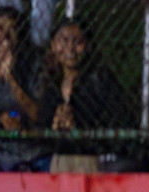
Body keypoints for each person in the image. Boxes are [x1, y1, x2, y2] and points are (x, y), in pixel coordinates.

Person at [36, 17, 134, 173]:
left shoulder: (100, 80)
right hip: (61, 158)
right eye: (63, 40)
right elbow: (41, 127)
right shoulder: (51, 85)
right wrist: (54, 125)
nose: (70, 47)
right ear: (53, 46)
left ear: (87, 46)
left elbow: (120, 122)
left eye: (78, 41)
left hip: (93, 157)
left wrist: (79, 128)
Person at [0, 6, 48, 171]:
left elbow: (36, 113)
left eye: (12, 29)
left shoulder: (33, 67)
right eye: (0, 28)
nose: (6, 36)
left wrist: (11, 77)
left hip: (32, 151)